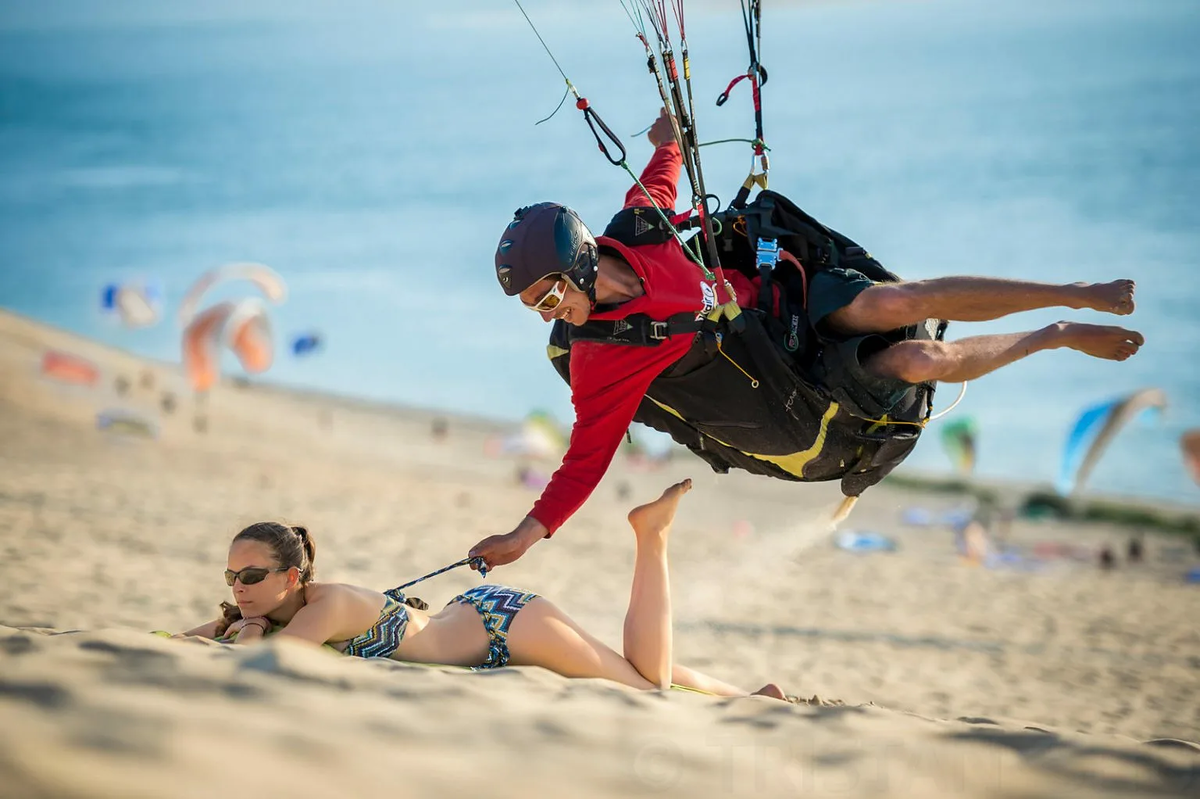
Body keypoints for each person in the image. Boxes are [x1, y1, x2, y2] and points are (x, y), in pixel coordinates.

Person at [472, 107, 1144, 571]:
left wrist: (665, 135)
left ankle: (1076, 292)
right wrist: (524, 535)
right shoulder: (600, 360)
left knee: (902, 302)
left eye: (550, 294)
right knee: (920, 357)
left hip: (789, 305)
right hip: (785, 383)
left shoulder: (642, 221)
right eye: (537, 306)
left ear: (583, 257)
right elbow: (582, 463)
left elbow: (668, 157)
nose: (548, 313)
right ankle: (1055, 334)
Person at [178, 480, 785, 699]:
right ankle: (750, 697)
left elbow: (273, 659)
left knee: (645, 686)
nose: (240, 588)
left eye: (251, 577)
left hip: (504, 627)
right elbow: (188, 641)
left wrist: (249, 630)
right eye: (232, 577)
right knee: (626, 664)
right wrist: (230, 625)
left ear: (291, 577)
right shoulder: (270, 608)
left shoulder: (323, 605)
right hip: (474, 618)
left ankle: (650, 537)